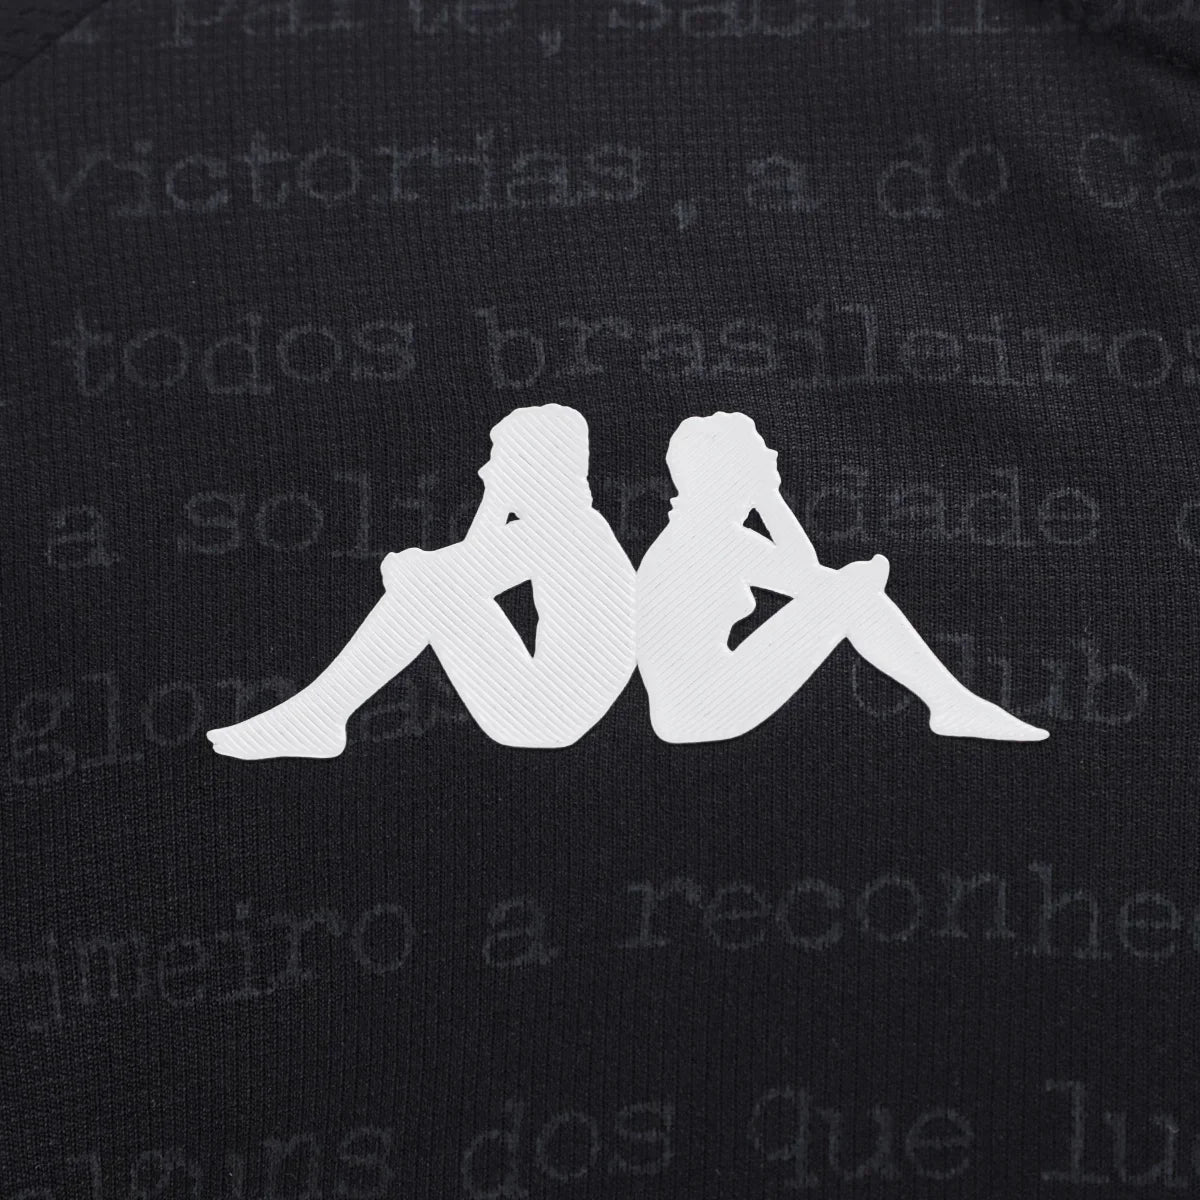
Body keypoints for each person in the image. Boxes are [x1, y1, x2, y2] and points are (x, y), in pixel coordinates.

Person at [207, 404, 637, 757]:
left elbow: (455, 573)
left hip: (543, 716)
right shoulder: (575, 526)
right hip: (548, 710)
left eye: (499, 458)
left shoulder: (561, 530)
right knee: (430, 584)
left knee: (425, 587)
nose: (486, 470)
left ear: (532, 466)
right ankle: (319, 714)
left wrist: (489, 504)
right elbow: (468, 568)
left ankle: (320, 715)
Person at [635, 412, 1049, 744]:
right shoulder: (708, 539)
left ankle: (953, 704)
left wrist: (846, 583)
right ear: (732, 470)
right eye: (760, 450)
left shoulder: (704, 534)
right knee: (850, 593)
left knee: (849, 590)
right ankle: (951, 704)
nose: (773, 454)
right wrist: (768, 496)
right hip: (699, 708)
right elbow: (809, 579)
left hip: (694, 706)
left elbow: (807, 577)